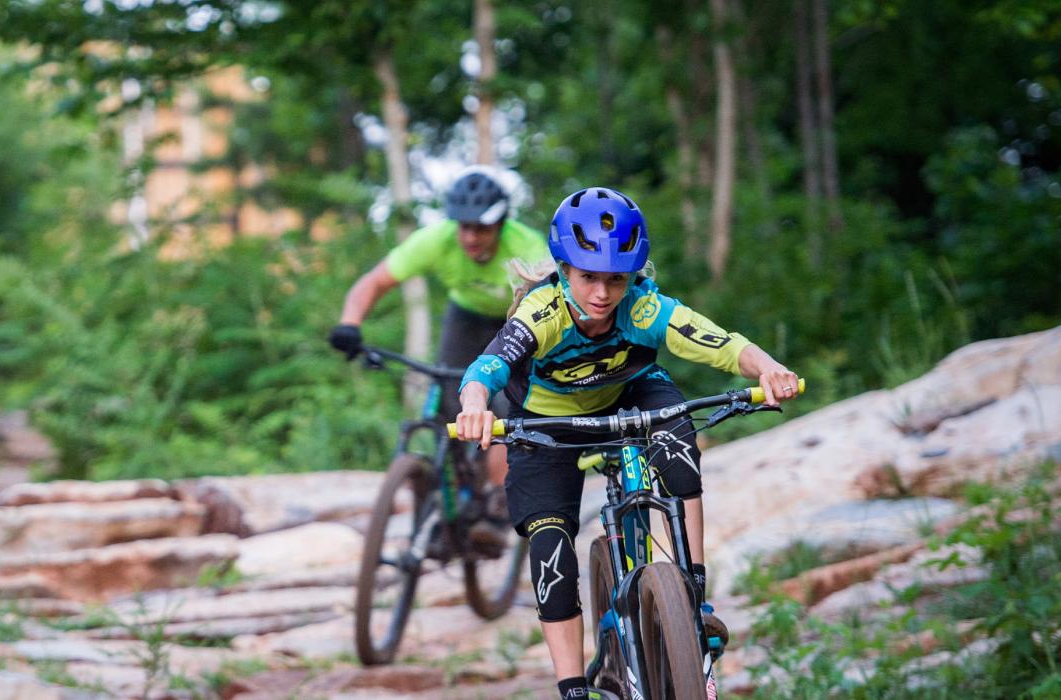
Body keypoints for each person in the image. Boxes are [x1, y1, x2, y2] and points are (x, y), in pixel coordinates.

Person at [453, 186, 800, 700]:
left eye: (616, 279)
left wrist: (769, 368)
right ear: (564, 271)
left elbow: (722, 345)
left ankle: (693, 600)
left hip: (630, 394)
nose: (602, 293)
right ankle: (573, 688)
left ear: (633, 276)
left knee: (679, 441)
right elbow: (486, 369)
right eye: (588, 277)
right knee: (550, 546)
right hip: (546, 422)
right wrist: (474, 406)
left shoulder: (643, 307)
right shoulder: (541, 314)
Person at [329, 167, 550, 495]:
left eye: (481, 228)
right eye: (464, 226)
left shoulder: (526, 246)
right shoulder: (436, 240)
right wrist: (350, 323)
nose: (470, 237)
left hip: (515, 320)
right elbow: (374, 282)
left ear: (501, 224)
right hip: (465, 318)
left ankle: (500, 499)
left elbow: (553, 303)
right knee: (451, 397)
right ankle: (456, 489)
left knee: (510, 408)